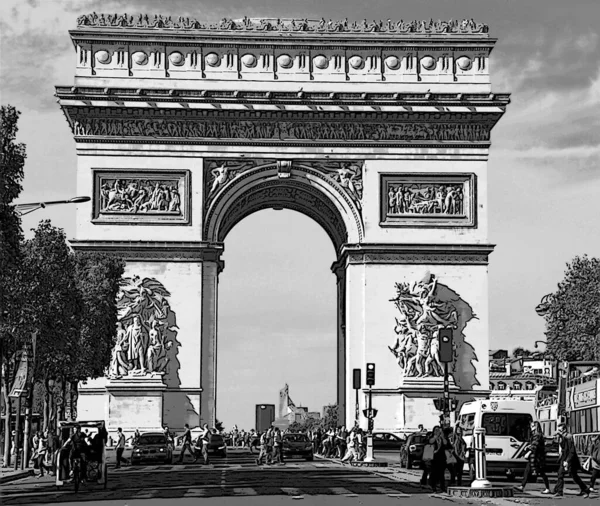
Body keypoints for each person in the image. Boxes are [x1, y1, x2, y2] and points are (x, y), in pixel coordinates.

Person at [553, 424, 590, 497]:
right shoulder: (561, 437)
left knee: (573, 476)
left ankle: (585, 489)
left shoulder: (569, 437)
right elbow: (558, 444)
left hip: (571, 459)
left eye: (560, 430)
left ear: (564, 430)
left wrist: (567, 461)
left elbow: (572, 451)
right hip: (564, 458)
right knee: (560, 473)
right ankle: (559, 491)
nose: (559, 432)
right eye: (558, 430)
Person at [516, 421, 551, 494]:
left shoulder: (537, 435)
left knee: (541, 472)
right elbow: (534, 444)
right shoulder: (536, 435)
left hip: (537, 457)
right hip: (536, 457)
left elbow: (535, 445)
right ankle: (522, 486)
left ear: (535, 427)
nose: (531, 427)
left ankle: (547, 488)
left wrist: (529, 451)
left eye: (532, 426)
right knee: (528, 471)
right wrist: (529, 446)